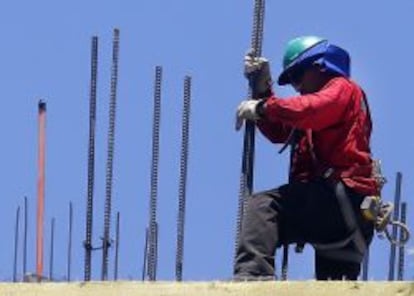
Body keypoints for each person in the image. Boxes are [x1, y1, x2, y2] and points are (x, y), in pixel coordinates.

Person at [234, 36, 379, 280]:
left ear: (321, 66)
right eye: (291, 81)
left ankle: (253, 280)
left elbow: (310, 108)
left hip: (340, 199)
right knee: (333, 290)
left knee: (264, 206)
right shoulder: (312, 114)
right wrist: (263, 89)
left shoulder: (342, 89)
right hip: (337, 216)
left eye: (297, 75)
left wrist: (263, 108)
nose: (296, 85)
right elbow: (281, 131)